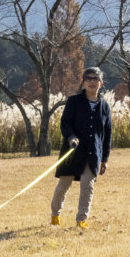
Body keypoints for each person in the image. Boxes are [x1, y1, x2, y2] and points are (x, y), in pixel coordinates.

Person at [51, 66, 112, 228]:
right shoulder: (73, 101)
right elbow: (65, 123)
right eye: (89, 79)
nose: (92, 82)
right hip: (72, 153)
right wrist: (71, 137)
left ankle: (81, 220)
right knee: (63, 186)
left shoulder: (105, 107)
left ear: (101, 83)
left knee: (87, 186)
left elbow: (107, 134)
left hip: (93, 155)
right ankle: (55, 215)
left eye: (96, 79)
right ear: (83, 83)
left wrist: (105, 159)